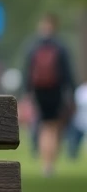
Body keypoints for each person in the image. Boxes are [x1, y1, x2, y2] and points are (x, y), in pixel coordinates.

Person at [22, 13, 76, 177]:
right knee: (53, 126)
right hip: (56, 90)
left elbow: (27, 72)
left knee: (44, 125)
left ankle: (45, 163)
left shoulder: (33, 46)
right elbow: (67, 74)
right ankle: (49, 164)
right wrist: (71, 93)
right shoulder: (60, 46)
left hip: (39, 91)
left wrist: (26, 93)